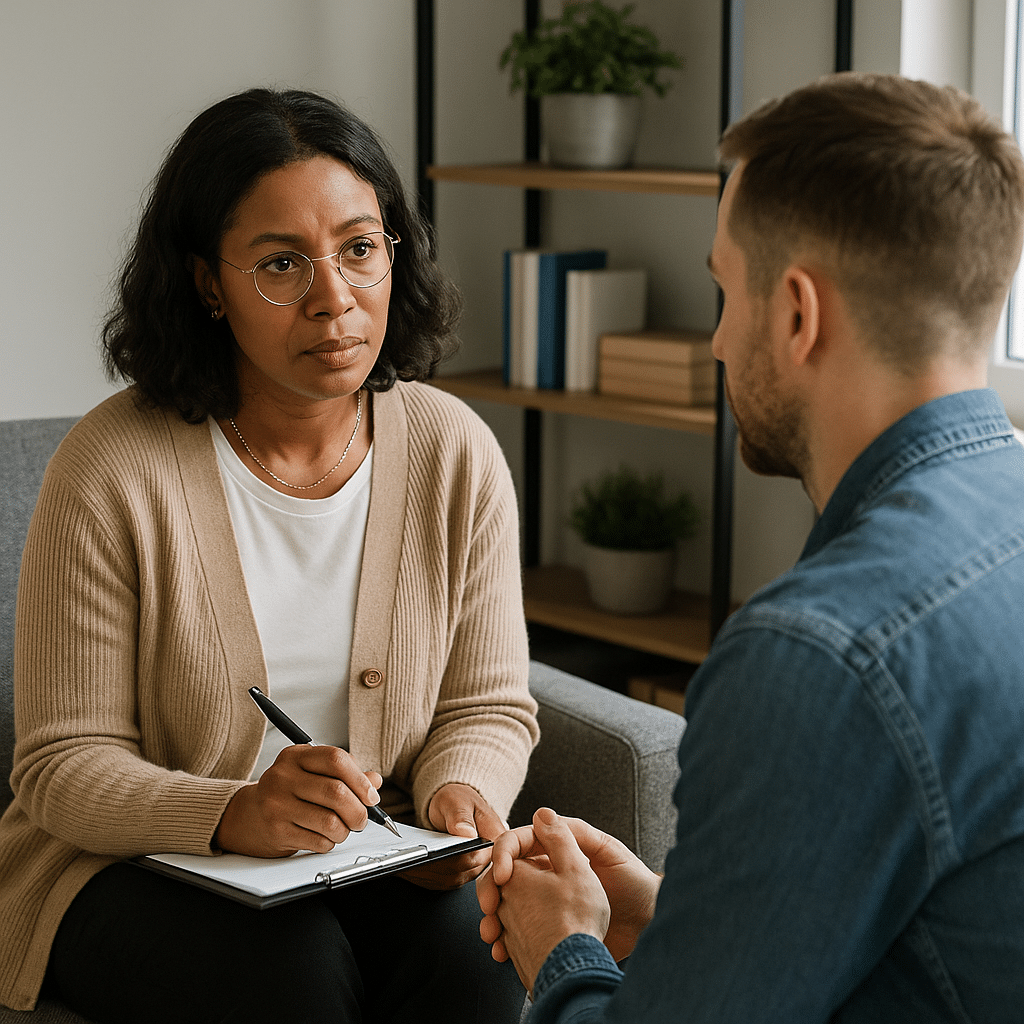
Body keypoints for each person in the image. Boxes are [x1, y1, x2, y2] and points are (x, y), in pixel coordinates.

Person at [477, 72, 1024, 1022]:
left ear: (799, 313)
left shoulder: (817, 654)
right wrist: (675, 916)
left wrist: (560, 950)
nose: (720, 339)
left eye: (724, 290)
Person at [0, 88, 539, 1023]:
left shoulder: (455, 451)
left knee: (483, 954)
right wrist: (230, 813)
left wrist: (457, 800)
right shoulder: (110, 470)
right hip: (120, 869)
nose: (336, 300)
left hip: (372, 853)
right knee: (285, 971)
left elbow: (487, 703)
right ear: (208, 282)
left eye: (361, 249)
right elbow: (62, 764)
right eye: (282, 264)